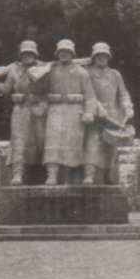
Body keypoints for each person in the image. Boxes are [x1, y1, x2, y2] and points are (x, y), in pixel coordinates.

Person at [0, 40, 48, 185]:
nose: (27, 56)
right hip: (21, 109)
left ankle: (46, 174)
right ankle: (17, 174)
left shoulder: (44, 67)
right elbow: (6, 89)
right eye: (24, 53)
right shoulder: (14, 69)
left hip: (39, 109)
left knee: (42, 140)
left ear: (35, 54)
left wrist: (43, 104)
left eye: (30, 53)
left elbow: (52, 88)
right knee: (19, 140)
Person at [31, 39, 93, 185]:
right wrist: (37, 77)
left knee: (73, 143)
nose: (64, 54)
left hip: (75, 110)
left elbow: (90, 96)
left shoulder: (81, 72)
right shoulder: (50, 70)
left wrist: (89, 112)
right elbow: (40, 90)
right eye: (61, 52)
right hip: (55, 109)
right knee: (52, 142)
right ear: (57, 53)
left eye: (67, 52)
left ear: (72, 53)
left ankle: (71, 176)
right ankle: (51, 175)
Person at [82, 41, 134, 185]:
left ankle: (109, 175)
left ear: (108, 56)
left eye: (104, 55)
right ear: (93, 57)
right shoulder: (87, 73)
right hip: (95, 114)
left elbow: (123, 94)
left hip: (113, 116)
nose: (101, 58)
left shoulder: (115, 74)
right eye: (98, 55)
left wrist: (127, 108)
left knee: (110, 148)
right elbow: (87, 93)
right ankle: (89, 175)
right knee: (92, 144)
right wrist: (97, 107)